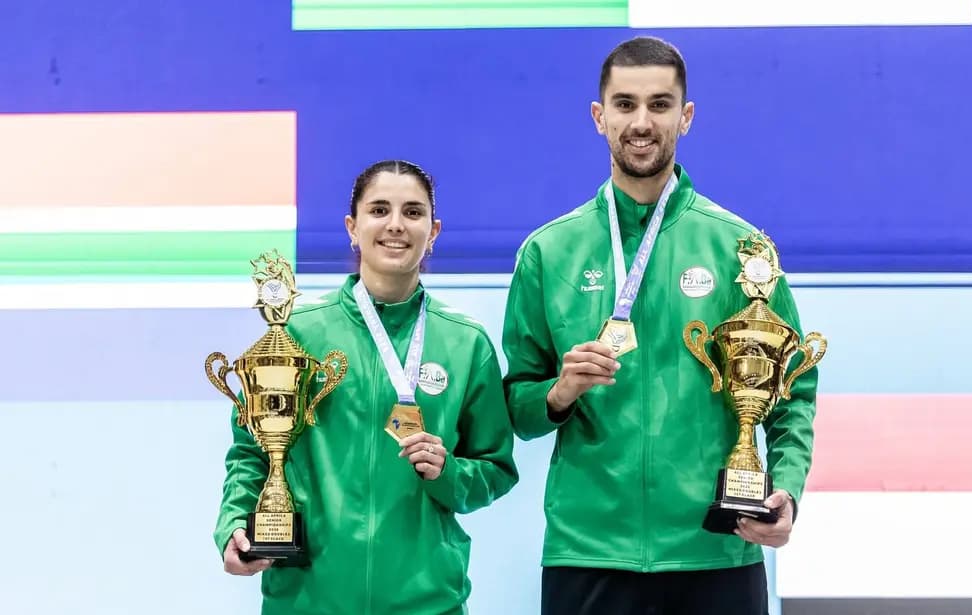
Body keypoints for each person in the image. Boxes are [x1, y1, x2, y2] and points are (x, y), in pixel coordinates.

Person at [501, 37, 818, 614]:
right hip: (588, 552)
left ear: (686, 116)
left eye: (659, 104)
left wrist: (786, 486)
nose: (641, 122)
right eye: (624, 104)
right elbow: (519, 410)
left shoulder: (742, 250)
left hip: (716, 549)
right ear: (599, 117)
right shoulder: (548, 253)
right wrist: (560, 391)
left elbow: (791, 390)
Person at [214, 159, 519, 615]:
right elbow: (252, 452)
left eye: (413, 213)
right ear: (352, 227)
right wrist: (236, 524)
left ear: (433, 232)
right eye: (379, 210)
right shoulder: (297, 333)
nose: (396, 225)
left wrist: (449, 472)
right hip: (308, 600)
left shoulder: (465, 342)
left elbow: (495, 468)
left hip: (427, 602)